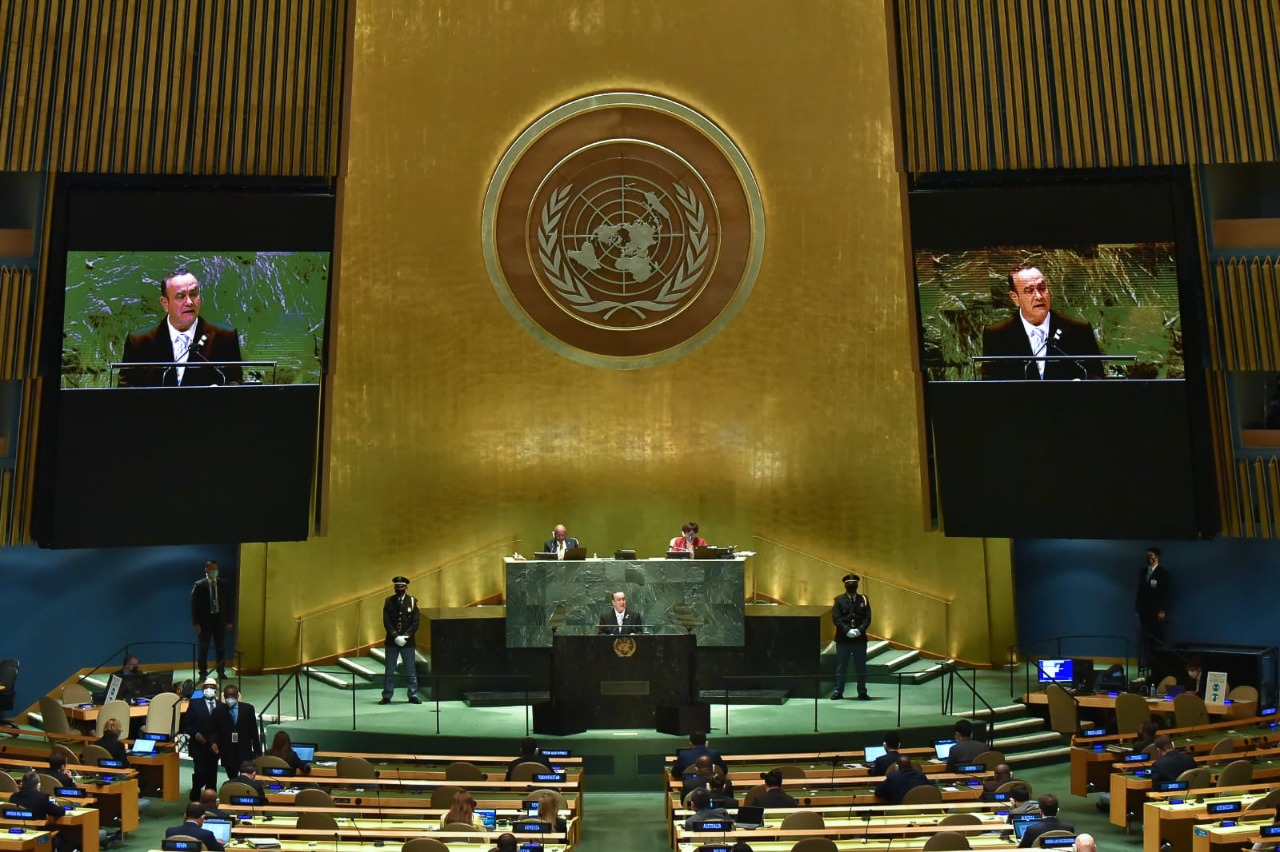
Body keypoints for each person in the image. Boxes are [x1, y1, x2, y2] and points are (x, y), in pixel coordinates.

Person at [120, 268, 243, 387]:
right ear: (165, 303)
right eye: (180, 296)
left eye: (194, 294)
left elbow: (235, 383)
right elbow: (125, 389)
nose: (189, 302)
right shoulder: (139, 341)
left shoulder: (224, 337)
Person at [982, 263, 1104, 380]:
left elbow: (1096, 376)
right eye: (1029, 290)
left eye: (1042, 288)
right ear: (1015, 298)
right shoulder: (997, 335)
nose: (1039, 296)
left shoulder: (1078, 331)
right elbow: (990, 383)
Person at [379, 575, 421, 704]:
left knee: (410, 669)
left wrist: (406, 635)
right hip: (392, 641)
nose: (399, 589)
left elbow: (415, 622)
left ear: (406, 588)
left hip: (408, 642)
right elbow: (387, 621)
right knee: (389, 669)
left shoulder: (412, 601)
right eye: (397, 587)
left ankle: (413, 695)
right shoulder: (389, 601)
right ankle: (387, 695)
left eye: (402, 587)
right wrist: (395, 636)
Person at [831, 573, 872, 700]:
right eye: (849, 584)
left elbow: (867, 618)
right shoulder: (839, 600)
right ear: (845, 585)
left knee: (861, 667)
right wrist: (847, 630)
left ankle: (862, 692)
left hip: (859, 639)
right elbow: (836, 618)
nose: (851, 585)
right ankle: (838, 691)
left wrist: (860, 630)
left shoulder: (863, 600)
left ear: (857, 585)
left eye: (853, 583)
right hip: (843, 639)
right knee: (841, 667)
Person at [191, 561, 234, 681]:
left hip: (220, 621)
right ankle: (203, 672)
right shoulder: (199, 585)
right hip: (205, 622)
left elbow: (228, 604)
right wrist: (196, 623)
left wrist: (229, 620)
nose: (214, 572)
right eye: (212, 569)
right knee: (203, 648)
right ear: (206, 570)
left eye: (216, 569)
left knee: (220, 647)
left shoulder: (223, 584)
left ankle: (221, 671)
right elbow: (194, 606)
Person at [183, 675, 221, 802]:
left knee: (212, 776)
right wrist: (196, 734)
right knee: (200, 772)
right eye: (206, 687)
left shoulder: (221, 706)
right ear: (203, 689)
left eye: (211, 687)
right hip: (198, 747)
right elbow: (187, 725)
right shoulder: (195, 704)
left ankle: (210, 801)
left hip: (214, 747)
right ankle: (195, 793)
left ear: (216, 689)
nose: (209, 689)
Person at [212, 683, 261, 779]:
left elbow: (254, 731)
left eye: (232, 695)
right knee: (232, 779)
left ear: (237, 695)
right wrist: (213, 742)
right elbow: (214, 730)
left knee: (247, 778)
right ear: (224, 696)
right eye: (227, 696)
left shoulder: (248, 709)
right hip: (228, 752)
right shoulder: (218, 711)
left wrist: (257, 751)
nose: (230, 698)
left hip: (245, 751)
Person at [1135, 546, 1171, 675]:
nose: (1149, 558)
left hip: (1156, 613)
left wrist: (1162, 610)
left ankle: (1157, 666)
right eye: (1147, 555)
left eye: (1151, 555)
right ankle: (1147, 664)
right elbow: (1140, 591)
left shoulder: (1163, 574)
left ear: (1157, 557)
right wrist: (1137, 608)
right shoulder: (1143, 572)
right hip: (1144, 613)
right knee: (1145, 640)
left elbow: (1165, 594)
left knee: (1156, 639)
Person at [12, 771, 67, 850]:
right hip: (39, 839)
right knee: (62, 839)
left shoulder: (13, 797)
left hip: (17, 836)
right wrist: (57, 805)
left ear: (22, 784)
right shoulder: (42, 798)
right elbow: (60, 812)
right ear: (38, 786)